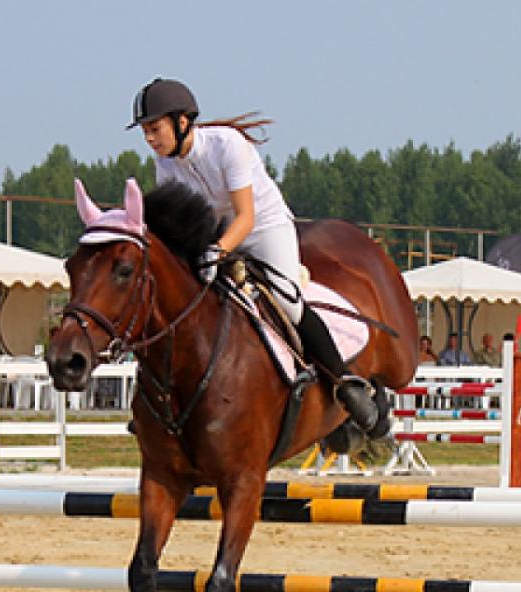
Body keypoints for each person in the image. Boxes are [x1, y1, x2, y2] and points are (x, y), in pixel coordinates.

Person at [129, 77, 379, 434]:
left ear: (182, 122)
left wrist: (216, 253)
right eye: (145, 132)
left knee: (287, 301)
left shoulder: (227, 144)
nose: (150, 139)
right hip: (217, 234)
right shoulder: (165, 165)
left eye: (155, 129)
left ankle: (344, 382)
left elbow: (245, 217)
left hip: (264, 228)